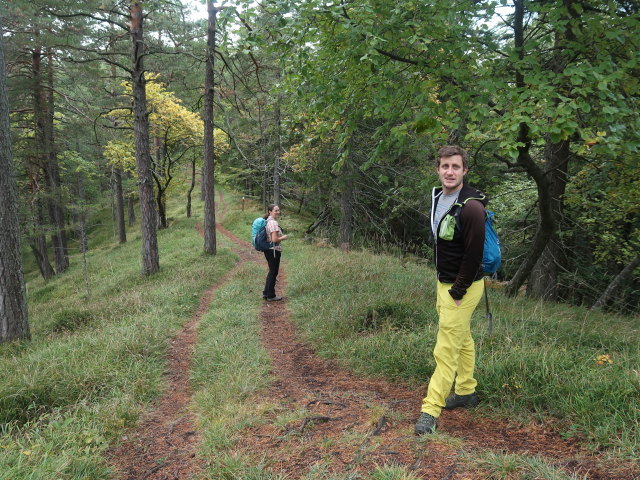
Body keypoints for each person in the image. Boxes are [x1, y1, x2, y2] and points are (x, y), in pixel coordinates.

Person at [415, 145, 487, 435]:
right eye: (445, 166)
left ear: (464, 171)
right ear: (438, 169)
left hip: (463, 287)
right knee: (462, 338)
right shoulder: (439, 197)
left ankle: (430, 410)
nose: (449, 171)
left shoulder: (471, 207)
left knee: (446, 348)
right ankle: (466, 390)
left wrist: (457, 289)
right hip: (444, 282)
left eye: (455, 166)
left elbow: (474, 254)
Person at [263, 204, 288, 302]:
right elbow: (274, 239)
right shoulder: (273, 223)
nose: (278, 212)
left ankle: (266, 293)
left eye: (278, 210)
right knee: (273, 272)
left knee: (271, 271)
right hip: (273, 250)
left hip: (269, 250)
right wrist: (283, 237)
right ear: (270, 211)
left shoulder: (268, 221)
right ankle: (271, 295)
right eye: (276, 210)